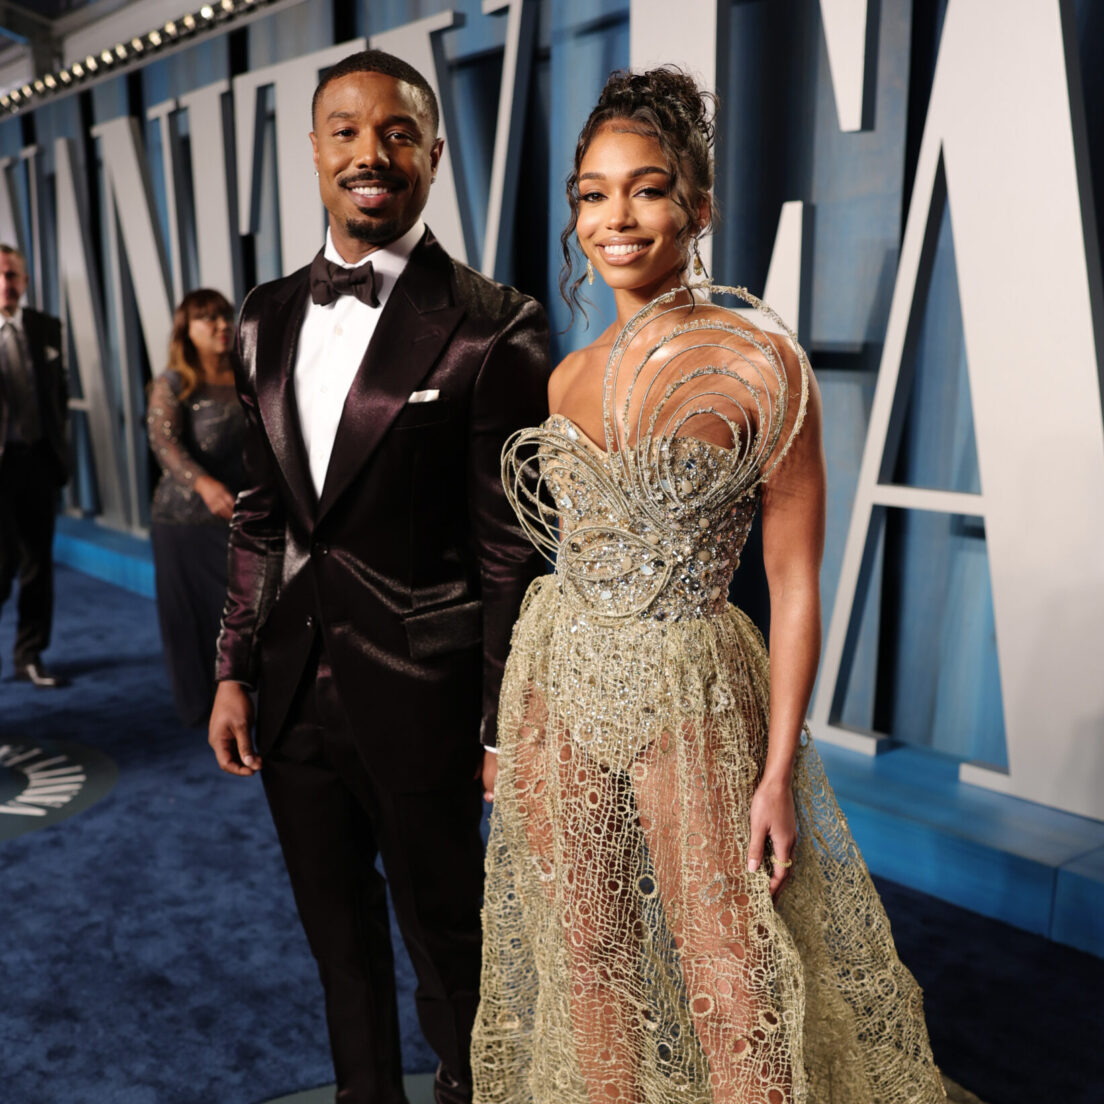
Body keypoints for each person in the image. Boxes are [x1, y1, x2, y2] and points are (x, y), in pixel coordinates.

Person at [472, 69, 946, 1104]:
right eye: (592, 194)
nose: (616, 218)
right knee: (587, 970)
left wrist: (778, 772)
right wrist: (508, 736)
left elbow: (794, 578)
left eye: (646, 188)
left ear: (699, 204)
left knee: (734, 980)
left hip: (690, 693)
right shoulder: (567, 375)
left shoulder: (759, 364)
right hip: (558, 680)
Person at [207, 49, 549, 1104]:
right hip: (290, 688)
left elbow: (512, 554)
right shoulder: (260, 315)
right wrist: (231, 667)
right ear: (313, 150)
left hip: (427, 699)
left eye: (397, 131)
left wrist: (504, 724)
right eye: (346, 129)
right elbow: (262, 516)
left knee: (450, 944)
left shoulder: (497, 324)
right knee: (337, 942)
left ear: (434, 156)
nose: (371, 152)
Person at [147, 289, 245, 726]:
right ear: (186, 330)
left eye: (225, 316)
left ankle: (241, 700)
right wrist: (203, 484)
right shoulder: (172, 381)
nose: (222, 325)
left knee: (238, 614)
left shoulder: (249, 374)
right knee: (191, 619)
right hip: (182, 520)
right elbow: (163, 443)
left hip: (240, 516)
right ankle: (197, 711)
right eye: (208, 319)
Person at [0, 243, 69, 689]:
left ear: (25, 281)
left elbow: (57, 395)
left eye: (14, 275)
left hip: (39, 461)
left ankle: (29, 656)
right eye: (2, 275)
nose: (7, 283)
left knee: (38, 565)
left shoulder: (46, 327)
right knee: (2, 563)